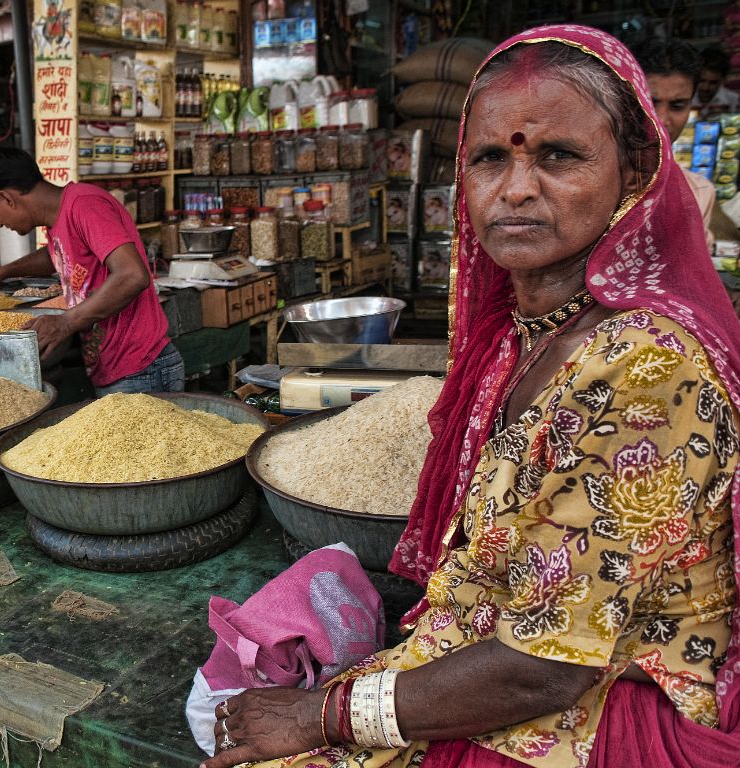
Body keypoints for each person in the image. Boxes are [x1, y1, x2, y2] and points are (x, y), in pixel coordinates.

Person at [198, 26, 740, 768]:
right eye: (490, 158)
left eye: (557, 156)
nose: (515, 188)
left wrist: (324, 713)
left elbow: (549, 665)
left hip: (594, 699)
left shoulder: (642, 369)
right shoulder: (518, 337)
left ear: (634, 168)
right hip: (498, 654)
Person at [0, 147, 184, 395]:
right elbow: (56, 255)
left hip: (140, 369)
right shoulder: (58, 219)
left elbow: (132, 275)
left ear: (7, 198)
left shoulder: (84, 204)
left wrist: (65, 323)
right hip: (113, 368)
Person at [631, 37, 715, 252]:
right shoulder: (587, 181)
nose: (662, 120)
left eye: (677, 106)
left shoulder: (699, 193)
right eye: (649, 103)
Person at [693, 45, 739, 119]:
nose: (705, 88)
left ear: (723, 80)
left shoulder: (733, 100)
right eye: (701, 81)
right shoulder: (686, 99)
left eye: (713, 83)